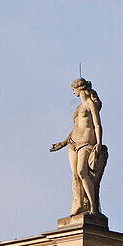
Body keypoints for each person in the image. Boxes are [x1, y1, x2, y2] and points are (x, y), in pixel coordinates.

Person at [50, 78, 107, 216]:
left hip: (86, 142)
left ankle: (93, 207)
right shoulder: (78, 108)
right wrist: (63, 143)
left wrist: (99, 142)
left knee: (82, 172)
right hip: (72, 143)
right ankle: (79, 204)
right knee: (75, 175)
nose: (73, 92)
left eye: (73, 89)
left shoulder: (91, 104)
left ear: (79, 88)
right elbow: (76, 127)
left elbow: (97, 125)